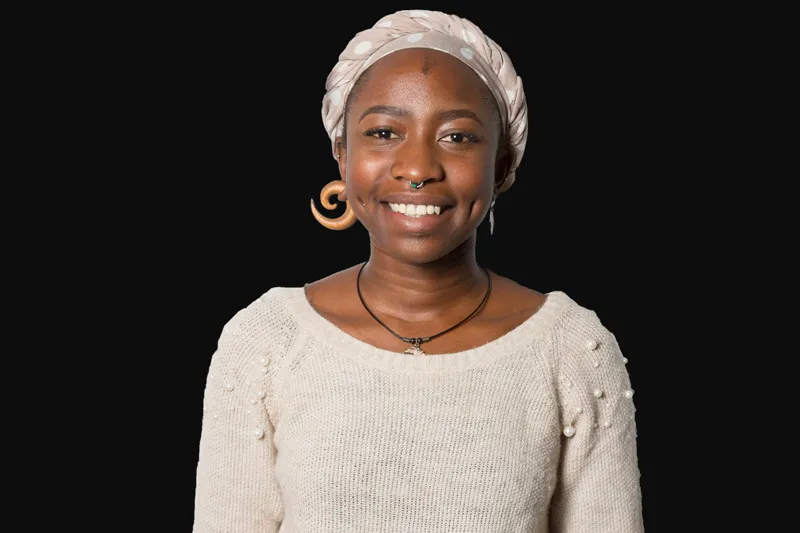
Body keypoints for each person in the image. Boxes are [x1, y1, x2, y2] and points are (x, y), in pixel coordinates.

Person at [192, 8, 644, 533]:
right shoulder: (266, 342)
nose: (418, 168)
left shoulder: (571, 350)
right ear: (342, 155)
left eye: (457, 137)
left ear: (502, 165)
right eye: (383, 132)